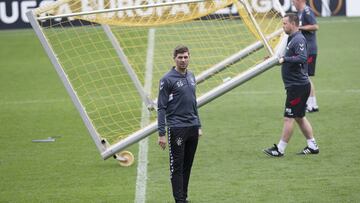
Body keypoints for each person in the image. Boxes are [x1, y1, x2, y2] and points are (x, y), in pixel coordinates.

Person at [263, 13, 319, 157]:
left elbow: (302, 57)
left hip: (297, 87)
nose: (283, 26)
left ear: (293, 24)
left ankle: (280, 149)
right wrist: (273, 60)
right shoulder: (291, 38)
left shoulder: (298, 39)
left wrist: (284, 59)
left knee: (289, 117)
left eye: (285, 24)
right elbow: (287, 59)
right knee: (299, 117)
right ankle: (312, 146)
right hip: (297, 86)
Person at [157, 45, 202, 203]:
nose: (183, 60)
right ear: (174, 58)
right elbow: (161, 107)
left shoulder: (191, 76)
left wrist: (199, 125)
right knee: (177, 166)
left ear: (189, 57)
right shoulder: (167, 79)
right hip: (177, 128)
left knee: (187, 166)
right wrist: (161, 133)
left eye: (185, 57)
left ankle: (184, 197)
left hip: (192, 127)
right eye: (180, 58)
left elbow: (194, 102)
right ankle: (179, 200)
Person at [293, 0, 319, 112]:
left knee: (305, 77)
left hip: (309, 49)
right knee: (305, 77)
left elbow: (315, 26)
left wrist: (300, 28)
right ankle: (312, 104)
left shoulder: (307, 11)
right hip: (306, 49)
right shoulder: (301, 12)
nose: (292, 3)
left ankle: (311, 104)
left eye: (293, 0)